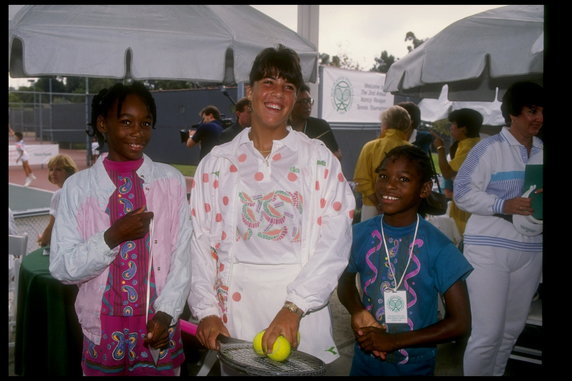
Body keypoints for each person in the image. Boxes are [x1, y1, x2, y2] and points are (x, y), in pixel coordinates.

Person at [187, 46, 355, 369]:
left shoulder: (318, 159)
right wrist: (207, 309)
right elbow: (200, 241)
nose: (277, 93)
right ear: (250, 91)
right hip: (234, 321)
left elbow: (335, 241)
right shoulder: (217, 163)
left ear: (295, 98)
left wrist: (294, 308)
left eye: (288, 87)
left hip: (300, 319)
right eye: (268, 82)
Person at [49, 82, 193, 376]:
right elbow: (62, 267)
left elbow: (183, 255)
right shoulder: (77, 188)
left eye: (146, 123)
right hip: (102, 332)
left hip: (158, 327)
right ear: (103, 124)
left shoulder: (171, 181)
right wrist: (112, 237)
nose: (138, 132)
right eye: (126, 122)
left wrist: (166, 313)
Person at [338, 145, 473, 376]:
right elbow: (345, 282)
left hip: (415, 366)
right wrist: (357, 311)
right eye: (383, 176)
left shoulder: (438, 246)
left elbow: (460, 323)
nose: (389, 185)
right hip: (365, 362)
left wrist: (394, 341)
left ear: (424, 189)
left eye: (403, 179)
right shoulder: (359, 235)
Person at [454, 81, 543, 376]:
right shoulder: (489, 148)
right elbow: (462, 191)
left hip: (530, 250)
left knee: (511, 332)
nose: (539, 118)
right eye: (532, 110)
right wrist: (504, 204)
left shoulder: (543, 150)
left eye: (543, 111)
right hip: (488, 250)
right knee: (488, 334)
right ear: (513, 114)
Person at [353, 105, 412, 222]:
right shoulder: (412, 150)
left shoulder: (370, 147)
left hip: (371, 207)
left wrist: (378, 202)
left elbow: (361, 180)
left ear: (385, 125)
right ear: (407, 126)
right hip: (400, 207)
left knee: (370, 238)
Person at [431, 108, 482, 236]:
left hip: (467, 204)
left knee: (461, 238)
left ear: (463, 129)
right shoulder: (467, 144)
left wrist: (440, 147)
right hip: (464, 202)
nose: (451, 128)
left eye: (453, 124)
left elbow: (448, 173)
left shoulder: (470, 147)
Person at [289, 83, 342, 159]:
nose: (308, 106)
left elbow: (337, 155)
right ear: (291, 103)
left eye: (309, 101)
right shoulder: (281, 127)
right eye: (303, 101)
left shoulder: (321, 127)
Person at [37, 154, 79, 248]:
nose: (53, 173)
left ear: (69, 172)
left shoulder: (59, 194)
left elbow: (53, 225)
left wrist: (43, 241)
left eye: (58, 170)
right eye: (51, 169)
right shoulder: (77, 189)